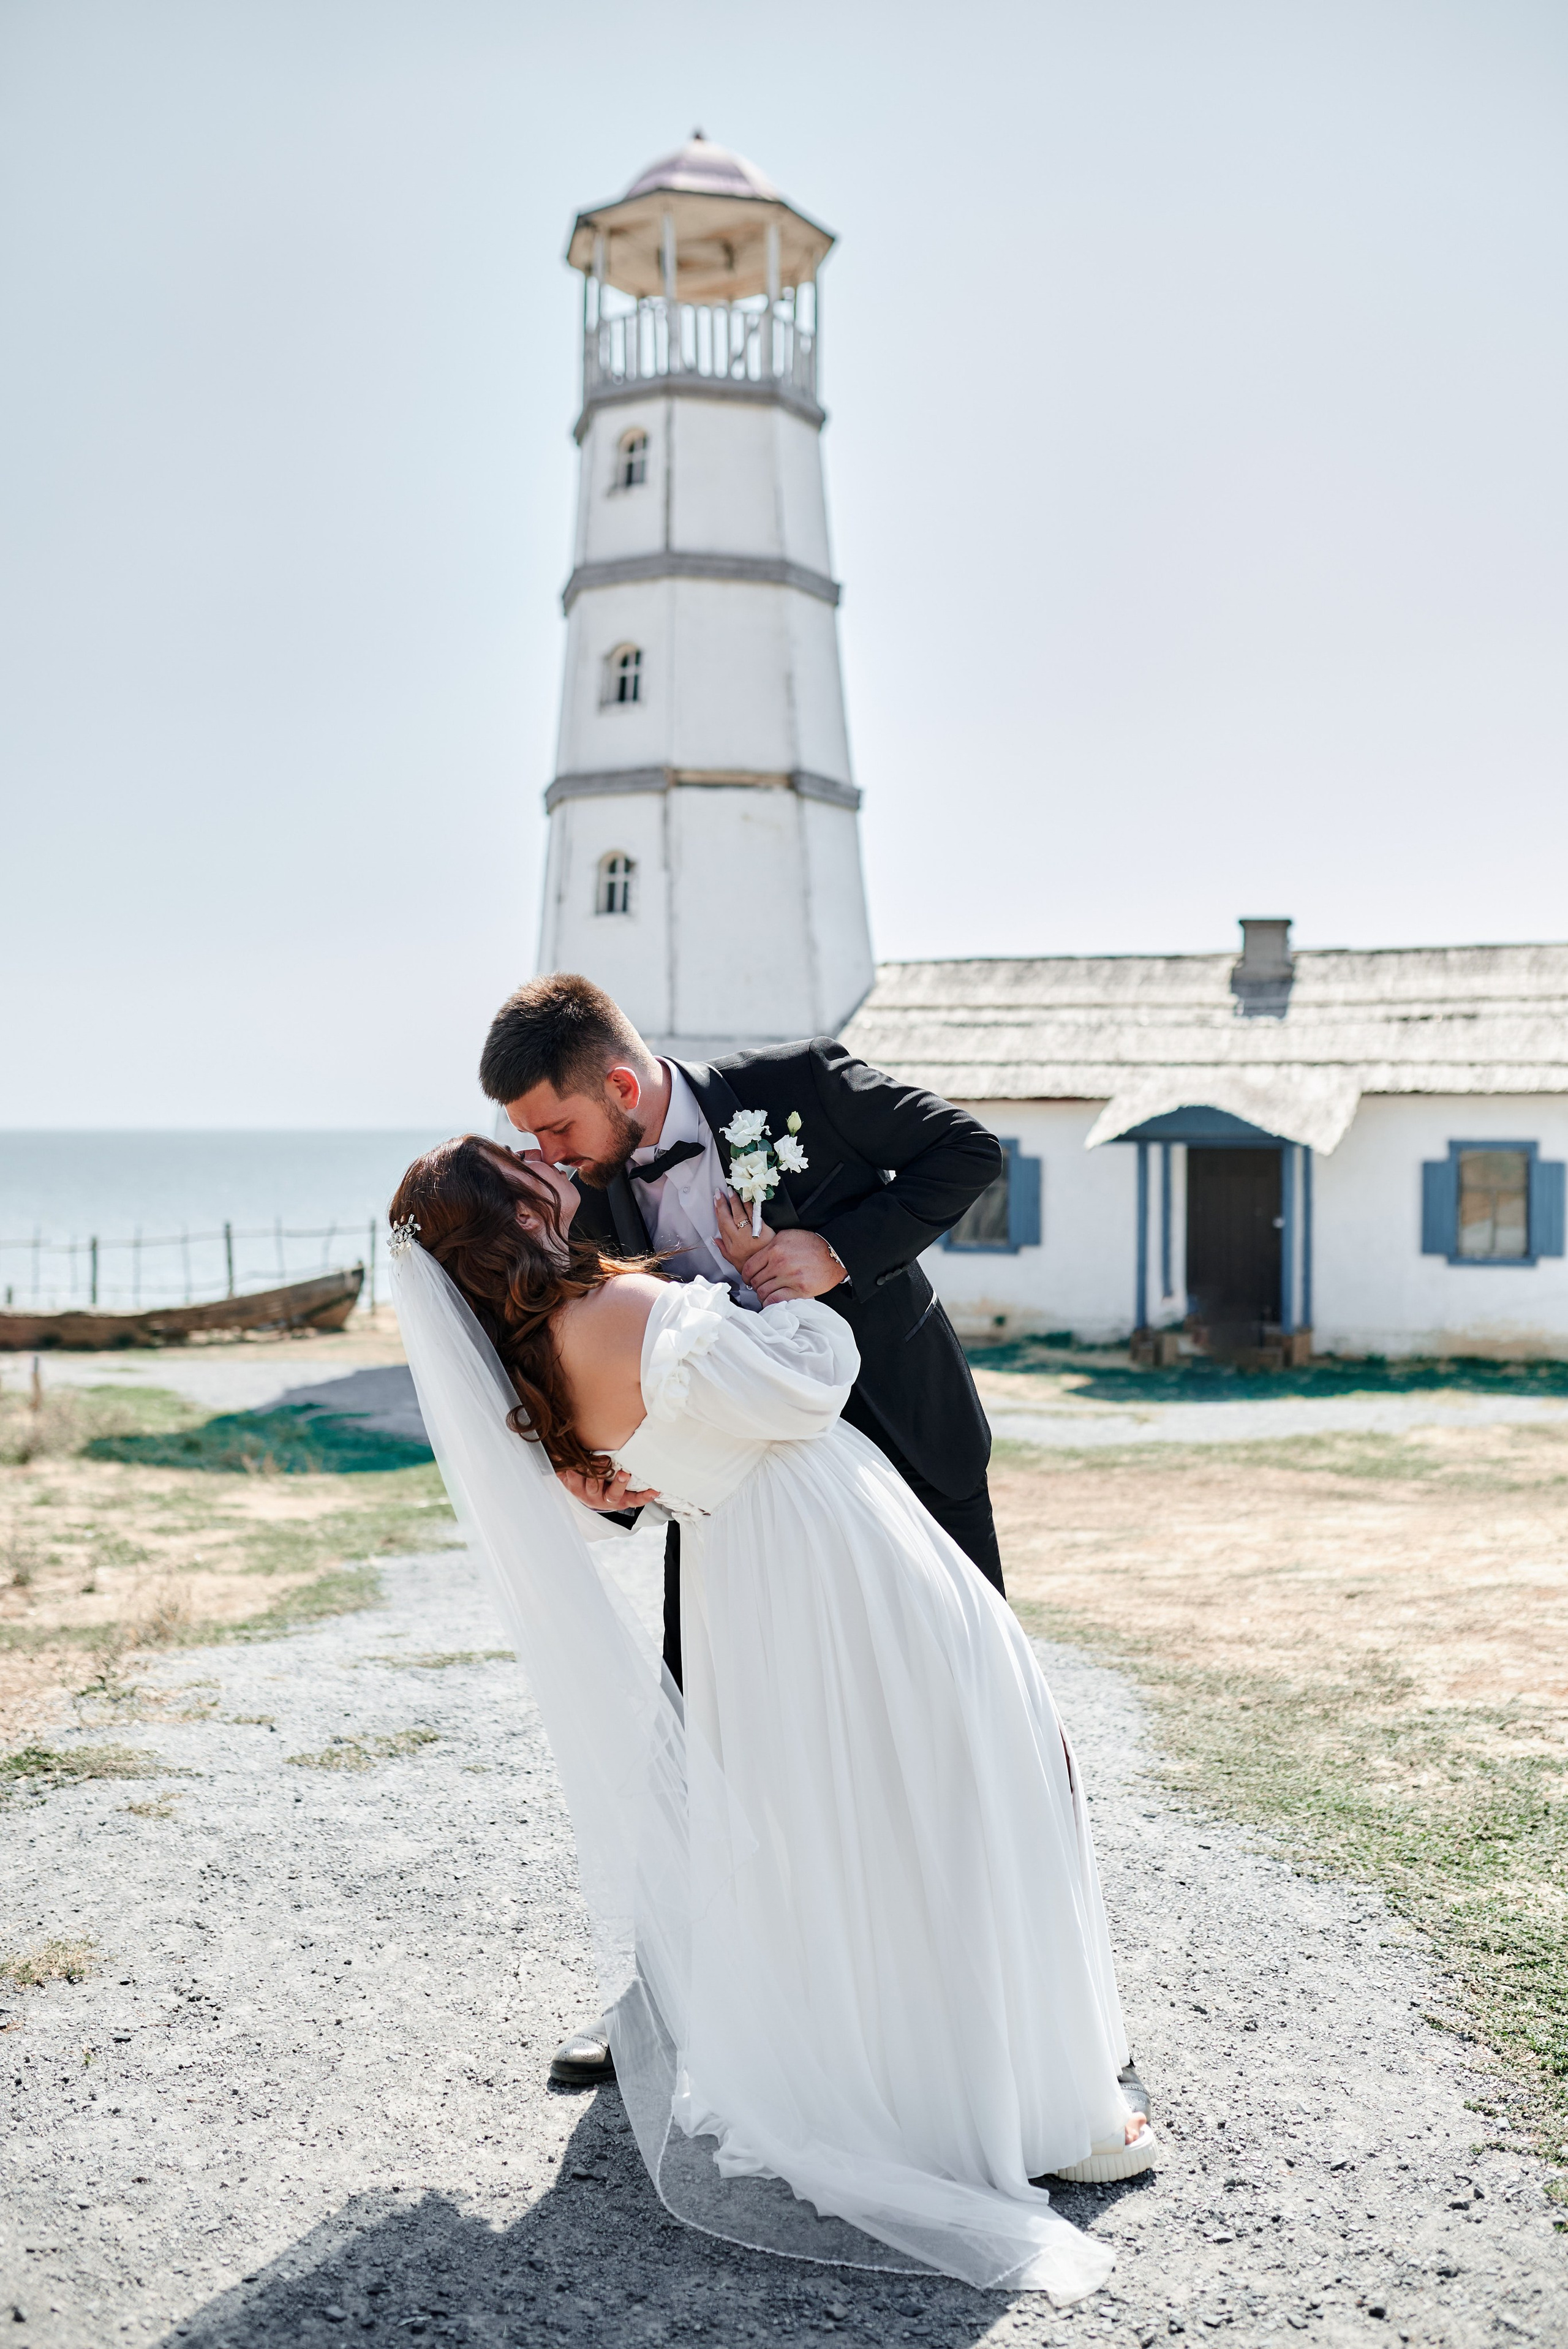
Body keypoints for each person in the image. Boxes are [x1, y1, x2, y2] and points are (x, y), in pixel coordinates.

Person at [386, 1132, 1155, 2301]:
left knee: (837, 1818)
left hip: (747, 1588)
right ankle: (1009, 2103)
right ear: (511, 1210)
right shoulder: (629, 1303)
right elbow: (811, 1378)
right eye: (519, 1161)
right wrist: (760, 1283)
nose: (542, 1162)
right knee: (950, 1773)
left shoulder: (532, 1369)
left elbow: (614, 1488)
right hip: (834, 1553)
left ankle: (907, 2074)